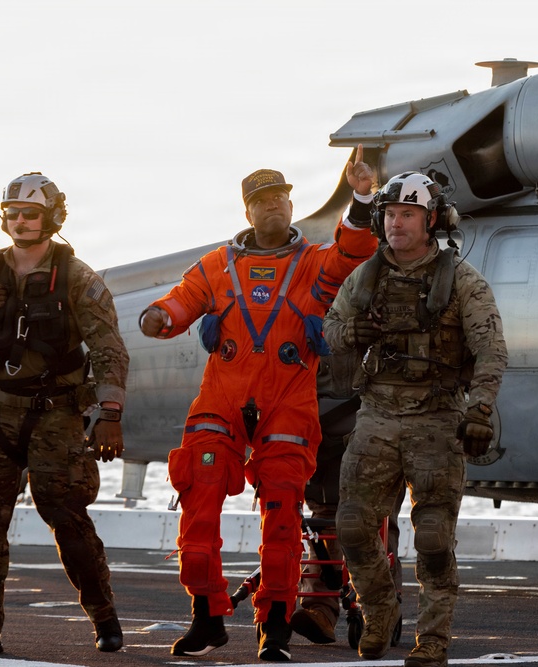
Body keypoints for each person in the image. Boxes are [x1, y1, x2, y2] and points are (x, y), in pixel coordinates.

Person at [139, 158, 378, 662]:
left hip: (287, 402)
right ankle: (207, 616)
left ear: (291, 205)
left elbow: (354, 252)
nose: (274, 204)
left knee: (283, 516)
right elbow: (183, 301)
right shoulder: (218, 265)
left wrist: (359, 200)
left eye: (280, 197)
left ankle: (274, 629)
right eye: (262, 199)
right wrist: (160, 316)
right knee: (198, 507)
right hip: (222, 400)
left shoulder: (313, 263)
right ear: (248, 210)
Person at [0, 172, 129, 656]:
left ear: (52, 218)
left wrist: (110, 412)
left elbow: (108, 348)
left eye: (31, 214)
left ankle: (104, 617)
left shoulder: (79, 279)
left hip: (55, 414)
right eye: (13, 214)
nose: (21, 223)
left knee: (65, 514)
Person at [323, 171, 507, 666]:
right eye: (389, 214)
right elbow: (332, 329)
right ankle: (379, 609)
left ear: (431, 221)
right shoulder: (366, 277)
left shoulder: (462, 281)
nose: (396, 223)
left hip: (437, 417)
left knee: (432, 536)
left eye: (407, 214)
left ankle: (433, 640)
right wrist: (352, 331)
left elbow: (491, 350)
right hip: (377, 414)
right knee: (354, 527)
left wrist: (481, 409)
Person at [290, 351, 405, 645]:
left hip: (374, 432)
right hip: (322, 436)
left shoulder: (377, 316)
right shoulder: (310, 317)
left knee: (376, 522)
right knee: (323, 524)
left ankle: (379, 612)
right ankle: (320, 610)